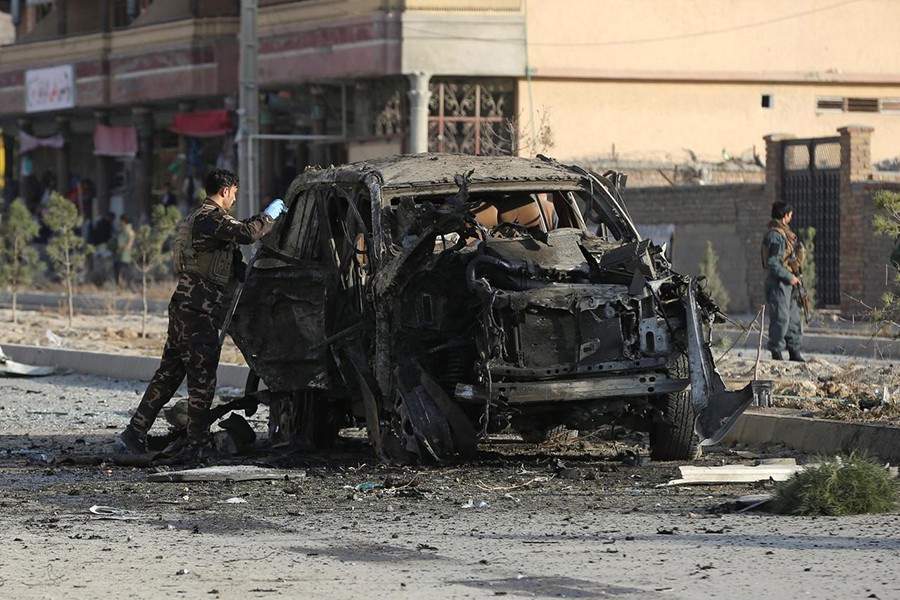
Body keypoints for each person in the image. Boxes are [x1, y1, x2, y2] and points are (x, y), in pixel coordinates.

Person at [118, 167, 287, 459]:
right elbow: (248, 233)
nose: (235, 198)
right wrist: (269, 216)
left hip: (186, 304)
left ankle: (135, 431)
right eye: (234, 192)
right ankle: (196, 444)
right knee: (202, 378)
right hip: (199, 308)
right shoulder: (210, 218)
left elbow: (233, 263)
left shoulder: (197, 219)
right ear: (225, 190)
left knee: (170, 373)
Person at [762, 201, 806, 362]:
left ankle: (794, 351)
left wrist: (795, 278)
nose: (791, 217)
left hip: (789, 284)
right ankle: (776, 352)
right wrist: (789, 277)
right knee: (781, 318)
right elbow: (773, 263)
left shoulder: (786, 234)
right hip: (779, 283)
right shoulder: (775, 235)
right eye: (790, 214)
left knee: (794, 320)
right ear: (785, 215)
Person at [113, 215, 136, 289]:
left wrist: (111, 245)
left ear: (123, 221)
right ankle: (127, 287)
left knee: (119, 273)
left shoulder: (124, 231)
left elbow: (119, 243)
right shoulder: (131, 231)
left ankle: (120, 287)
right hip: (128, 256)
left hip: (121, 255)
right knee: (127, 273)